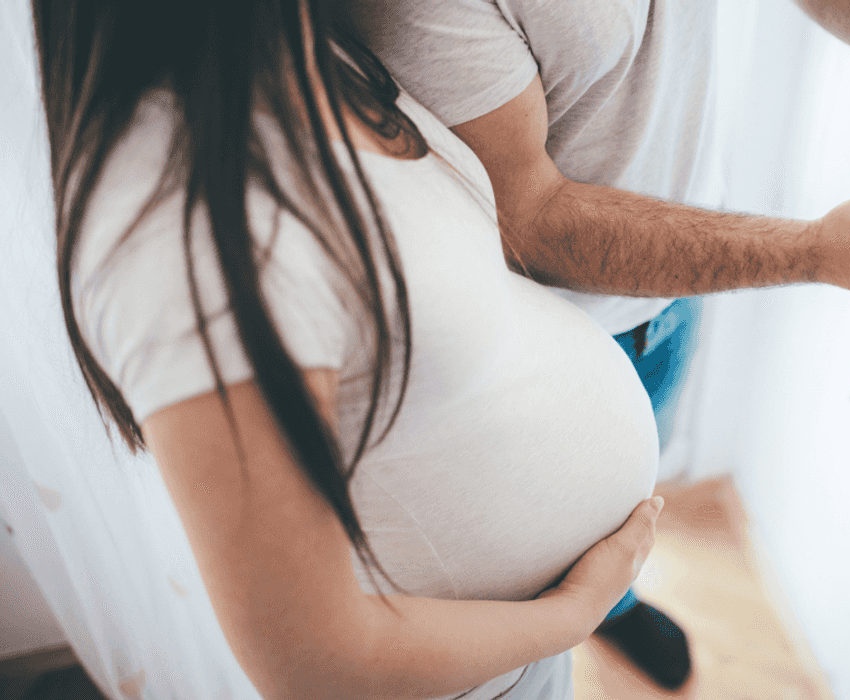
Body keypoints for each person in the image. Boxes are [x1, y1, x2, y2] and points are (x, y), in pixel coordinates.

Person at [346, 0, 850, 688]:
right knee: (551, 561)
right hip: (545, 348)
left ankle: (615, 606)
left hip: (675, 292)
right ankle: (590, 616)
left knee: (635, 505)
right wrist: (807, 252)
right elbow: (527, 219)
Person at [34, 0, 674, 698]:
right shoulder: (182, 235)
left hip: (511, 650)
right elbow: (317, 662)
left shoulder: (306, 49)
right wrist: (571, 614)